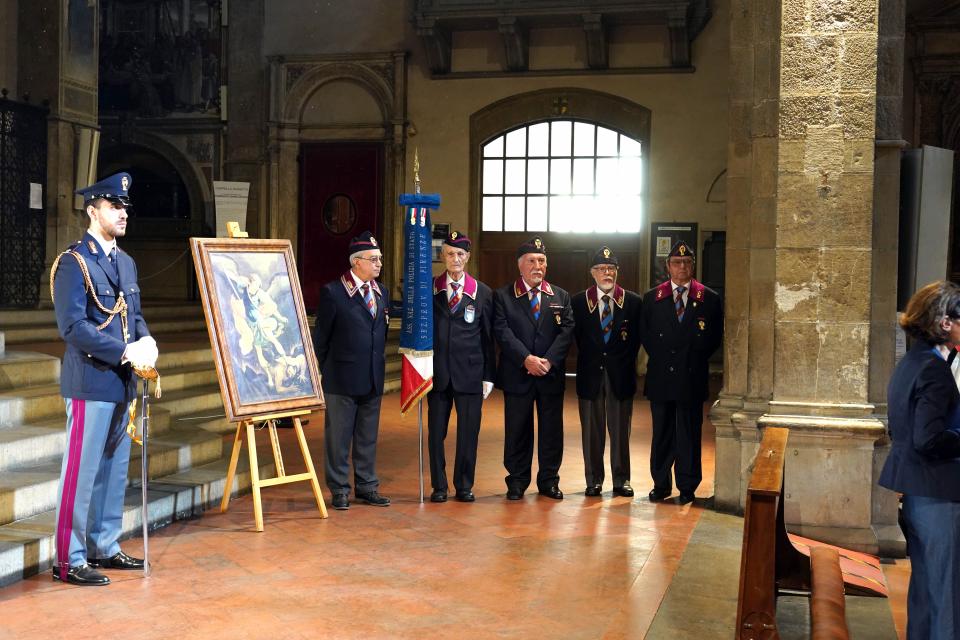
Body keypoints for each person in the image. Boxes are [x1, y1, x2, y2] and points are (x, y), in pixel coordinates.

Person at [51, 172, 157, 586]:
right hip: (90, 381)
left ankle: (104, 545)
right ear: (93, 211)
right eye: (115, 206)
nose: (123, 213)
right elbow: (73, 327)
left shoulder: (125, 261)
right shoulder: (73, 263)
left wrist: (146, 341)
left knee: (114, 470)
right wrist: (122, 351)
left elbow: (134, 314)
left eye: (125, 207)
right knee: (80, 471)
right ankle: (68, 558)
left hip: (122, 381)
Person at [879, 281, 960, 640]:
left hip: (919, 490)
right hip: (938, 492)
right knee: (946, 595)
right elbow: (928, 438)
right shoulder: (934, 370)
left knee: (926, 589)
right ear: (944, 322)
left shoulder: (912, 362)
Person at [313, 231, 391, 510]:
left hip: (372, 375)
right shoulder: (334, 293)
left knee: (367, 436)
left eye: (380, 259)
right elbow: (321, 338)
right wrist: (319, 372)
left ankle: (367, 485)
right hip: (341, 377)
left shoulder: (382, 293)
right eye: (374, 259)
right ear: (356, 262)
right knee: (339, 437)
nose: (379, 264)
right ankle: (339, 488)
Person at [640, 240, 722, 505]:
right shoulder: (652, 298)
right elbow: (647, 335)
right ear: (668, 266)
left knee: (689, 433)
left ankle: (687, 486)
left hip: (691, 375)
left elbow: (713, 339)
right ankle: (660, 483)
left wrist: (689, 356)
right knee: (662, 432)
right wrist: (668, 358)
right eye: (677, 262)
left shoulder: (708, 298)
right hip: (662, 375)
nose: (682, 267)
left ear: (693, 266)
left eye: (687, 262)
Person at [493, 236, 574, 500]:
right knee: (517, 430)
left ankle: (549, 480)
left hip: (550, 376)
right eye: (531, 261)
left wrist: (548, 361)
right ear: (520, 266)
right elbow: (502, 331)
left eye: (542, 261)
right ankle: (516, 481)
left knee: (552, 431)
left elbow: (567, 331)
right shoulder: (503, 296)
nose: (537, 266)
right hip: (518, 374)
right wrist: (526, 358)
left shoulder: (560, 296)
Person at [427, 231, 495, 503]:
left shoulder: (483, 293)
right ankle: (439, 486)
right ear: (442, 257)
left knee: (468, 433)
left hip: (470, 374)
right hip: (437, 374)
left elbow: (489, 338)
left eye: (460, 254)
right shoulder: (430, 289)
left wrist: (489, 375)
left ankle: (464, 485)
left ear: (468, 258)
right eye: (450, 254)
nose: (455, 259)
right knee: (436, 435)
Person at [571, 246, 642, 498]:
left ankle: (622, 479)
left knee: (621, 430)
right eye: (601, 269)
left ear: (617, 271)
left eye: (611, 268)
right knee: (592, 431)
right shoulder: (579, 302)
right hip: (590, 375)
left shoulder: (633, 302)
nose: (607, 273)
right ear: (593, 273)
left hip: (620, 376)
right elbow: (576, 337)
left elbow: (636, 340)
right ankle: (594, 480)